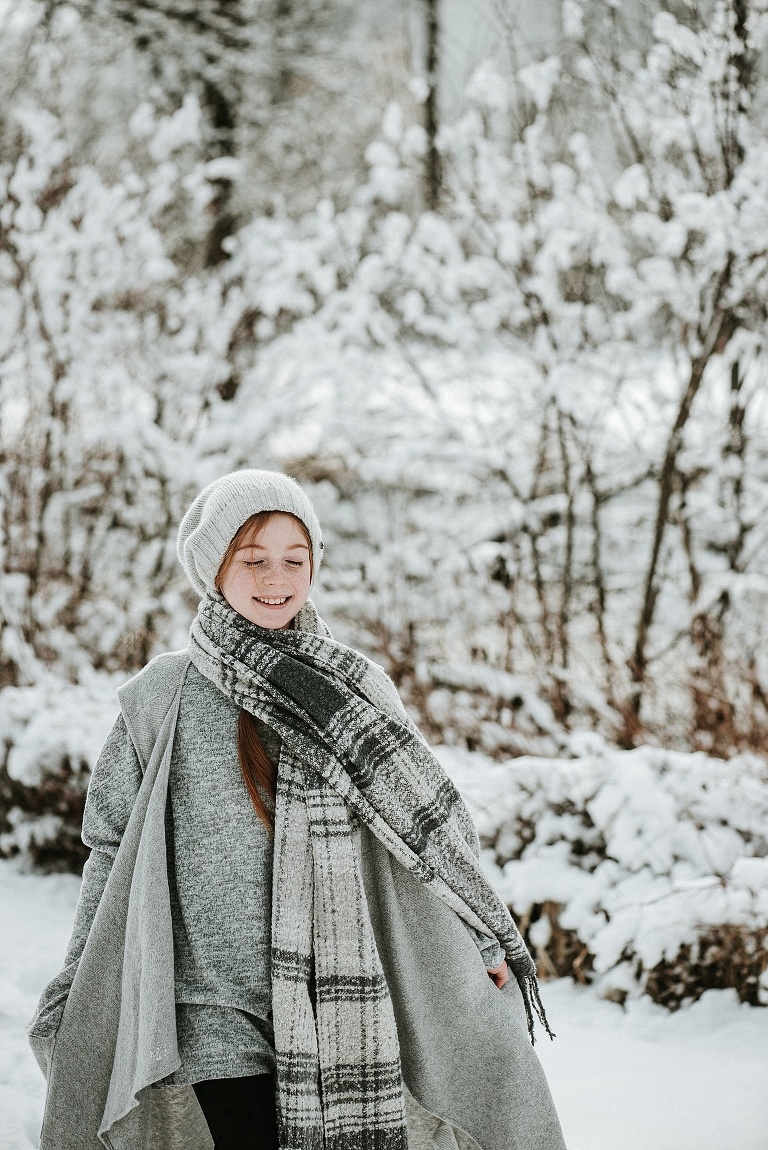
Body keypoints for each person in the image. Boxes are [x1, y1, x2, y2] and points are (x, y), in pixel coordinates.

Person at [27, 469, 566, 1150]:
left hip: (334, 991)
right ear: (213, 566)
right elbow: (111, 847)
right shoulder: (162, 695)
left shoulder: (353, 687)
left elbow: (423, 831)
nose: (275, 578)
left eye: (294, 559)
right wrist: (85, 974)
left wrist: (481, 938)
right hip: (209, 1000)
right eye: (252, 559)